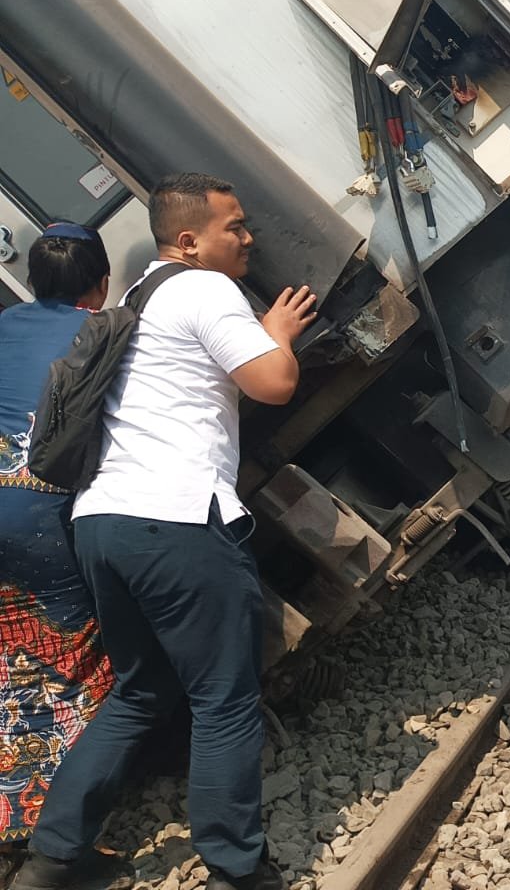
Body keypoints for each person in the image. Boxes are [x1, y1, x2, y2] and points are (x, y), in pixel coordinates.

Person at [13, 174, 318, 890]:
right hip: (175, 520)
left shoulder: (131, 299)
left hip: (102, 524)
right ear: (189, 240)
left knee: (142, 690)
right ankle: (236, 870)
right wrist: (274, 334)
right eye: (234, 227)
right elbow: (273, 382)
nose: (247, 239)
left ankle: (53, 859)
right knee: (224, 697)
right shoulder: (203, 288)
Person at [0, 226, 115, 879]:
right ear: (98, 286)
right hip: (39, 518)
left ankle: (8, 821)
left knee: (9, 665)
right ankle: (65, 845)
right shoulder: (99, 334)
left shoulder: (5, 322)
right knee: (73, 667)